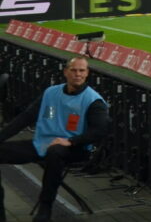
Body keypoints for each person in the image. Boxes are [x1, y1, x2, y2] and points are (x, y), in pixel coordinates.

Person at [0, 55, 108, 222]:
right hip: (42, 144)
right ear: (65, 72)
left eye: (82, 71)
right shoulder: (51, 93)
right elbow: (26, 117)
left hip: (75, 149)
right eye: (74, 70)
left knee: (55, 153)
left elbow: (100, 130)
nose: (77, 74)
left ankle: (45, 208)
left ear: (87, 73)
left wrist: (71, 141)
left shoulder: (93, 100)